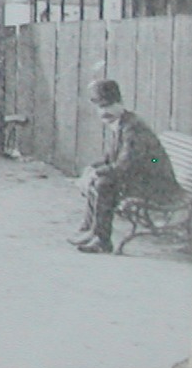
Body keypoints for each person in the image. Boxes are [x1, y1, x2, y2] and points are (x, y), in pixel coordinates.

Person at [70, 79, 185, 254]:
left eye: (109, 105)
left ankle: (102, 240)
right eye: (100, 107)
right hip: (143, 179)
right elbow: (111, 159)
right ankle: (91, 231)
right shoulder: (121, 124)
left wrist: (96, 174)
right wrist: (92, 169)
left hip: (159, 187)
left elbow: (124, 165)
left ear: (120, 103)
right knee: (99, 178)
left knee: (104, 184)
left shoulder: (133, 128)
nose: (104, 112)